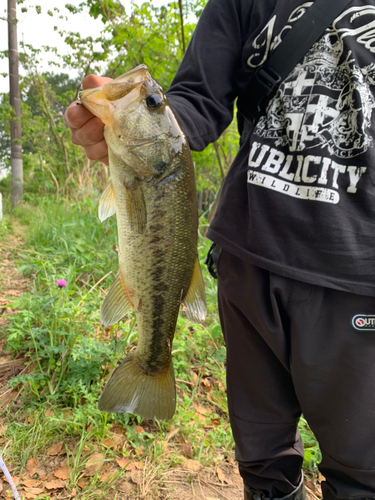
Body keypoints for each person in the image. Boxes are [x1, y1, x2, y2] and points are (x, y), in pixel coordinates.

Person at [64, 1, 375, 499]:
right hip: (247, 256)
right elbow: (195, 100)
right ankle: (153, 361)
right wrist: (141, 123)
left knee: (362, 472)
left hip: (358, 271)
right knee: (264, 461)